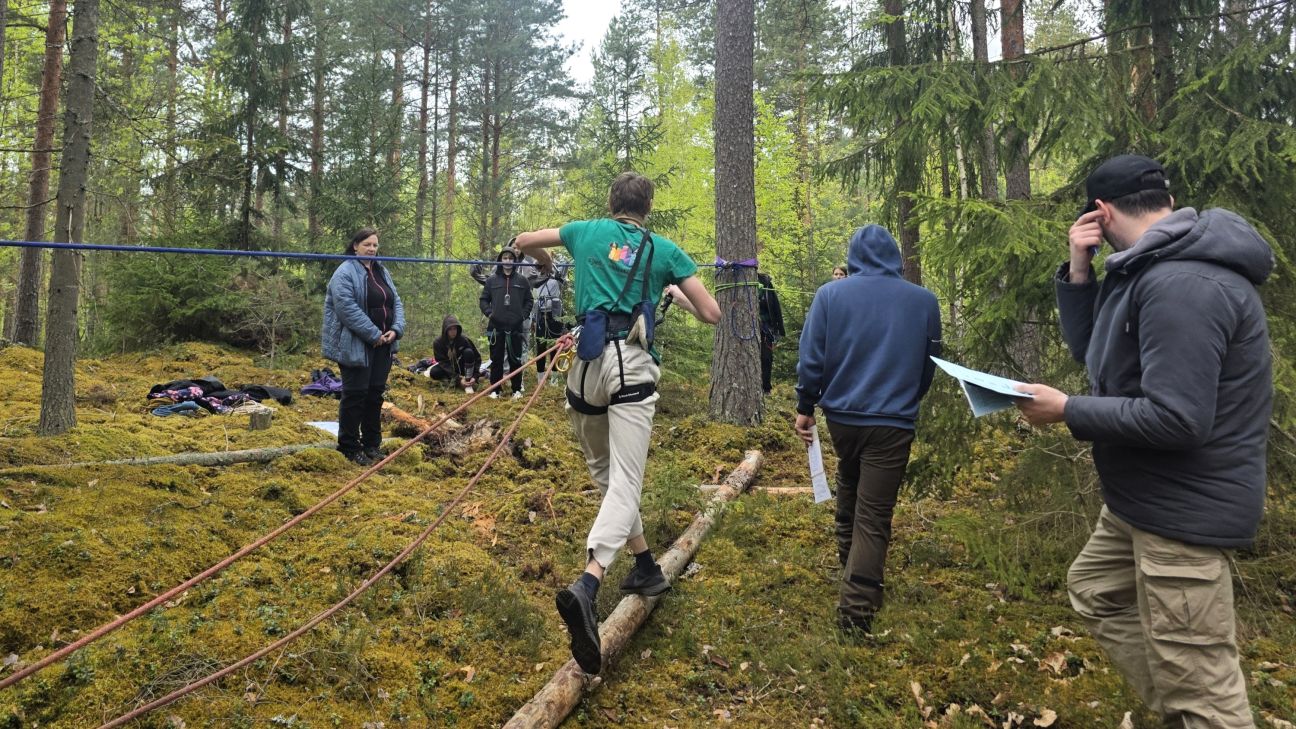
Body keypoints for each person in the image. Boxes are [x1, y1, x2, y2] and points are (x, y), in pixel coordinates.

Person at [1013, 154, 1273, 728]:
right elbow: (1096, 356)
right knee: (1096, 589)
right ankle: (1183, 709)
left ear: (1100, 212)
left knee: (1203, 685)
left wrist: (1066, 410)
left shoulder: (1183, 284)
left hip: (1183, 510)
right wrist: (1080, 273)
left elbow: (1178, 420)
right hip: (1143, 500)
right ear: (1166, 204)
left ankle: (1196, 711)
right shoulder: (1148, 267)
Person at [515, 171, 720, 675]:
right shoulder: (665, 251)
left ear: (612, 203)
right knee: (626, 480)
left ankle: (646, 567)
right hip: (629, 365)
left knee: (608, 477)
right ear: (647, 207)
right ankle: (589, 582)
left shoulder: (583, 232)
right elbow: (712, 313)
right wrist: (674, 296)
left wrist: (547, 264)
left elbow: (523, 242)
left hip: (582, 368)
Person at [794, 224, 941, 636]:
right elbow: (928, 364)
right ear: (895, 256)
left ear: (854, 254)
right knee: (874, 513)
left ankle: (851, 564)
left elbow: (812, 358)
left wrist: (806, 406)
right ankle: (857, 611)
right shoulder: (924, 301)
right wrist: (909, 400)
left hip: (842, 417)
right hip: (893, 421)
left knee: (850, 481)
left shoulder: (830, 295)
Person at [321, 228, 406, 466]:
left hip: (384, 344)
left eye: (375, 245)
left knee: (375, 393)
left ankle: (372, 444)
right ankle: (349, 446)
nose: (371, 249)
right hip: (355, 343)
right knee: (355, 394)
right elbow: (346, 308)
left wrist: (396, 329)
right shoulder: (344, 272)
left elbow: (396, 301)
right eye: (367, 244)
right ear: (355, 246)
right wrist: (373, 334)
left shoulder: (381, 270)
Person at [479, 247, 533, 399]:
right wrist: (490, 313)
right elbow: (483, 300)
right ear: (500, 260)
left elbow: (529, 300)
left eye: (511, 258)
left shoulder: (522, 281)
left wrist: (522, 315)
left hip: (515, 326)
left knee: (515, 358)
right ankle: (495, 389)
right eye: (505, 258)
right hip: (496, 326)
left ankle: (516, 389)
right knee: (496, 359)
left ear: (515, 261)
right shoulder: (491, 280)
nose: (508, 261)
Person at [428, 315, 482, 392]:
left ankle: (468, 381)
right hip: (450, 369)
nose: (453, 332)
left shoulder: (464, 340)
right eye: (450, 329)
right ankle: (456, 382)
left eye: (455, 329)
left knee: (468, 352)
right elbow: (443, 363)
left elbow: (477, 357)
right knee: (434, 372)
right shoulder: (438, 343)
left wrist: (475, 376)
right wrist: (458, 379)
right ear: (445, 330)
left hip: (464, 367)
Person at [532, 272, 567, 378]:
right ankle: (540, 377)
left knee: (555, 345)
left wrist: (558, 276)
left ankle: (554, 377)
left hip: (555, 313)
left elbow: (564, 282)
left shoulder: (557, 273)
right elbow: (532, 285)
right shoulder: (535, 274)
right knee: (540, 346)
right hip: (540, 314)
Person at [756, 267, 785, 395]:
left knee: (766, 357)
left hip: (766, 327)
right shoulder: (739, 280)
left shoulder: (765, 282)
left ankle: (765, 388)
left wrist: (778, 328)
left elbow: (775, 306)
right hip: (747, 327)